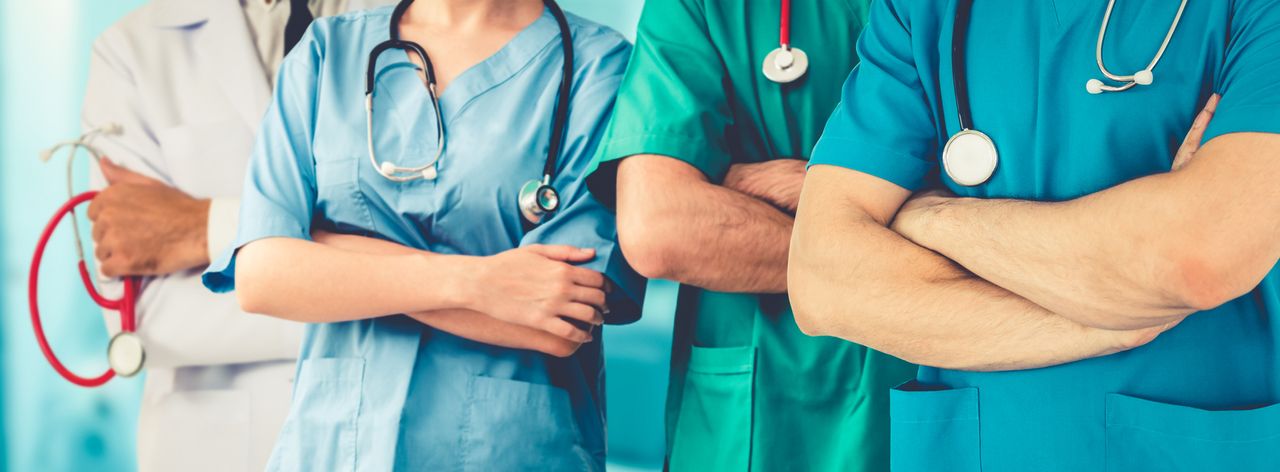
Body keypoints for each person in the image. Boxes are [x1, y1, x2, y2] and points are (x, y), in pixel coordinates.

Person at [791, 1, 1280, 470]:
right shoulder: (920, 9)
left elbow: (1198, 256)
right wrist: (1114, 316)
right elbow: (823, 281)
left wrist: (932, 217)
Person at [200, 0, 641, 469]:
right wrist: (478, 284)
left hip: (511, 450)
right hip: (332, 449)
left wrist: (326, 253)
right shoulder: (327, 52)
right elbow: (264, 276)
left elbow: (563, 315)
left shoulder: (600, 68)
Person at [584, 0, 916, 470]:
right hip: (757, 405)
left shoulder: (980, 14)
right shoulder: (697, 7)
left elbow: (1028, 219)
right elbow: (663, 227)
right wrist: (914, 227)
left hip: (936, 381)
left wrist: (818, 187)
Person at [80, 0, 390, 470]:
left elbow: (459, 245)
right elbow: (149, 320)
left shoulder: (431, 23)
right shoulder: (132, 52)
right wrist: (397, 293)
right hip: (217, 449)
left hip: (390, 431)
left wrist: (205, 228)